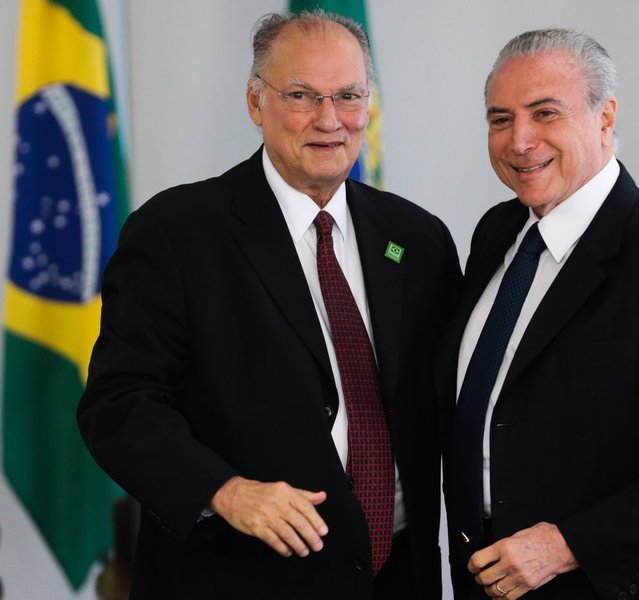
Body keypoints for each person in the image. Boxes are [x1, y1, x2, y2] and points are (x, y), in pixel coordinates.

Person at [78, 11, 460, 599]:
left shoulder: (418, 239)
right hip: (236, 578)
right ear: (256, 103)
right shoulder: (176, 233)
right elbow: (118, 404)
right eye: (302, 95)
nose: (330, 120)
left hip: (397, 579)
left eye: (349, 95)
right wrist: (225, 491)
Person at [439, 28, 639, 599]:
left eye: (545, 113)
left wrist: (563, 546)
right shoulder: (496, 233)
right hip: (491, 580)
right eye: (500, 119)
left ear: (605, 118)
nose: (519, 141)